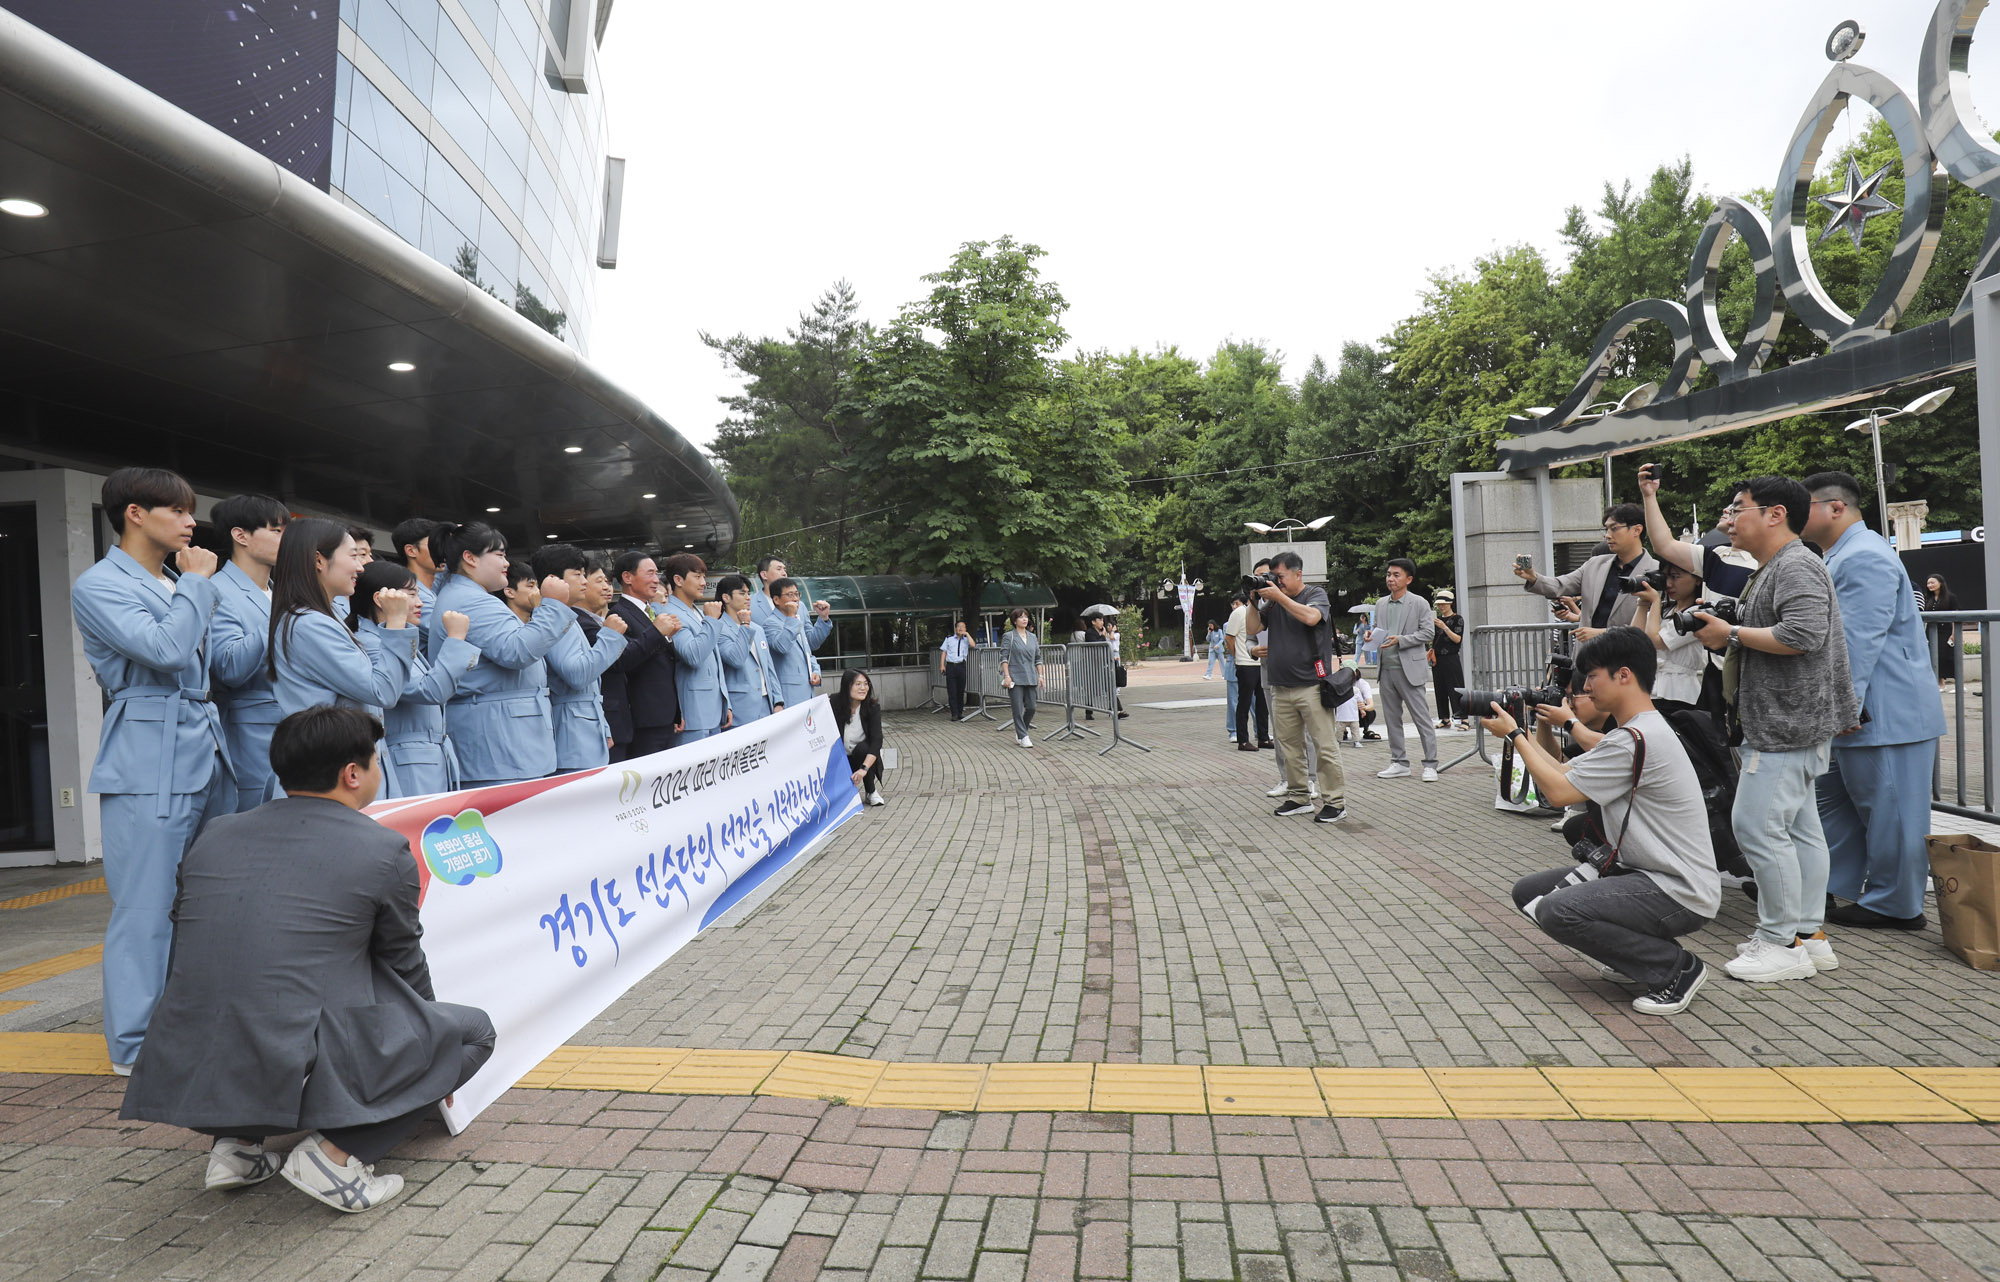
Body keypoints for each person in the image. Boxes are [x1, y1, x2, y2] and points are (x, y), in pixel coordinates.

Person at [119, 705, 496, 1213]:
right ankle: (337, 1158)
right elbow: (404, 963)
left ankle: (238, 1147)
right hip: (291, 1047)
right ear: (353, 774)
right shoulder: (383, 849)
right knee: (472, 1032)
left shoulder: (216, 834)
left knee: (254, 993)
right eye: (375, 761)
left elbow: (187, 937)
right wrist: (433, 1056)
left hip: (189, 1048)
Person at [70, 467, 234, 1074]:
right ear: (135, 513)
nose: (191, 522)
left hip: (201, 744)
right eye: (177, 510)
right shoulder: (100, 584)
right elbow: (165, 652)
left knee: (200, 902)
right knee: (144, 905)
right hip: (148, 752)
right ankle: (136, 1047)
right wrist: (196, 586)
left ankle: (188, 1024)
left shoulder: (172, 578)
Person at [1487, 628, 1721, 1016]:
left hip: (1678, 889)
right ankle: (1632, 956)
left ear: (1624, 675)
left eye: (1593, 676)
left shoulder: (1637, 739)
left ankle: (1674, 968)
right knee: (1531, 892)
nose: (1586, 686)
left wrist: (1513, 735)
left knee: (1556, 910)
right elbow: (1562, 772)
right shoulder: (1632, 734)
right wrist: (1523, 733)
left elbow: (1558, 794)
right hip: (1644, 875)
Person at [1687, 476, 1858, 983]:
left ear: (1774, 514)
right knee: (1800, 830)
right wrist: (1730, 629)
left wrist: (1732, 632)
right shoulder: (1782, 565)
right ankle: (1808, 936)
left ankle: (1781, 941)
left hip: (1786, 723)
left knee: (1757, 827)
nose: (1729, 519)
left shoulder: (1796, 565)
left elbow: (1803, 635)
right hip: (1791, 721)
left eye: (1737, 508)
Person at [1804, 472, 1947, 931]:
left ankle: (1897, 905)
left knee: (1894, 814)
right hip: (1866, 710)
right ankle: (1833, 886)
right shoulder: (1845, 554)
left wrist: (1843, 705)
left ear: (1836, 508)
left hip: (1885, 711)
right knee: (1841, 804)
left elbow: (1857, 641)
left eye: (1803, 506)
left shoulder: (1863, 556)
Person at [266, 520, 419, 790]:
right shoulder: (310, 624)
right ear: (318, 561)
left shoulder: (324, 616)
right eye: (353, 556)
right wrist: (396, 624)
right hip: (331, 776)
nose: (361, 567)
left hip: (339, 767)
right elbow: (382, 690)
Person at [429, 522, 574, 788]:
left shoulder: (466, 595)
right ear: (470, 558)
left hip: (502, 739)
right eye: (499, 555)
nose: (506, 563)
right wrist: (552, 605)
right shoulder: (471, 599)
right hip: (501, 743)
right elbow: (517, 651)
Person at [349, 561, 479, 798]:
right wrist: (456, 640)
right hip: (408, 760)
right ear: (381, 600)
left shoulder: (387, 637)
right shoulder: (371, 643)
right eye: (411, 594)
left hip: (424, 757)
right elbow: (430, 690)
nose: (419, 603)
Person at [1253, 551, 1348, 824]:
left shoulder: (1314, 594)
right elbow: (1252, 625)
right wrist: (1253, 600)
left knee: (1324, 746)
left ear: (1298, 574)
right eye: (1273, 577)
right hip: (1280, 686)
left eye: (1280, 577)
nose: (1277, 582)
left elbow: (1311, 618)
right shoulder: (1271, 603)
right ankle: (1298, 797)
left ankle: (1335, 802)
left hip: (1312, 685)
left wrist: (1278, 597)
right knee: (1290, 747)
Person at [207, 493, 287, 811]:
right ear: (241, 536)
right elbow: (229, 667)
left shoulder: (278, 590)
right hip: (251, 738)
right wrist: (279, 613)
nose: (287, 540)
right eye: (277, 531)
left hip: (295, 734)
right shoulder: (217, 589)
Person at [533, 545, 630, 771]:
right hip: (572, 735)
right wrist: (610, 636)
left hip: (582, 728)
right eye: (577, 574)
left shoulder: (566, 616)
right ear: (553, 579)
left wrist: (602, 727)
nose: (584, 581)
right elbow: (577, 674)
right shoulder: (553, 620)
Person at [1516, 503, 1659, 638]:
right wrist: (1533, 577)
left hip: (1627, 658)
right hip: (1587, 656)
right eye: (1606, 529)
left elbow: (1654, 626)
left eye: (1614, 528)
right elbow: (1560, 585)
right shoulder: (1594, 565)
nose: (1607, 535)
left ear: (1637, 530)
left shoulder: (1655, 572)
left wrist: (1602, 633)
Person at [604, 551, 682, 761]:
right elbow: (625, 661)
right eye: (650, 574)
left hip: (664, 716)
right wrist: (657, 633)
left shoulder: (650, 611)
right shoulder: (619, 614)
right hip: (643, 719)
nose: (656, 580)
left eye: (657, 574)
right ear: (628, 577)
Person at [1637, 466, 1754, 598]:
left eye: (1736, 508)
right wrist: (1649, 495)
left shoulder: (1764, 564)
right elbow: (1663, 545)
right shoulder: (1715, 555)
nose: (1726, 511)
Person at [1373, 558, 1439, 781]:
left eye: (1396, 575)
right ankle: (1399, 762)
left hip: (1409, 669)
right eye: (1389, 574)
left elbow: (1428, 633)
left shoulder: (1419, 603)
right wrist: (1369, 636)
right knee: (1392, 719)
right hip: (1386, 670)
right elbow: (1378, 630)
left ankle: (1430, 764)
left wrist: (1400, 640)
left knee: (1421, 719)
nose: (1390, 579)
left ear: (1408, 579)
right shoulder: (1381, 604)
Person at [658, 553, 732, 744]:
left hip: (713, 710)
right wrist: (712, 621)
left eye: (703, 577)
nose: (703, 582)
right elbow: (693, 655)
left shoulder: (697, 610)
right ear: (678, 580)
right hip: (692, 714)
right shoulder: (669, 612)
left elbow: (714, 661)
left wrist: (726, 703)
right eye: (697, 576)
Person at [1633, 563, 1710, 711]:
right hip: (1652, 688)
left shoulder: (1698, 613)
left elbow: (1656, 641)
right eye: (1665, 577)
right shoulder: (1666, 610)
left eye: (1675, 577)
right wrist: (1643, 603)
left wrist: (1655, 602)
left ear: (1698, 579)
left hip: (1680, 692)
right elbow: (1635, 640)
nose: (1668, 584)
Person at [714, 573, 783, 725]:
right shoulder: (719, 628)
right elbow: (736, 659)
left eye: (749, 593)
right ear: (726, 598)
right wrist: (744, 626)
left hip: (767, 704)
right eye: (742, 593)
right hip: (740, 708)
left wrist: (778, 700)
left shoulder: (757, 629)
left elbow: (768, 667)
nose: (748, 597)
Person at [764, 577, 826, 708]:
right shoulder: (770, 623)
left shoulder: (796, 621)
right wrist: (791, 618)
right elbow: (782, 647)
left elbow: (808, 652)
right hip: (788, 694)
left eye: (797, 594)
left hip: (807, 690)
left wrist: (816, 671)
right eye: (790, 595)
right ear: (776, 600)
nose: (795, 599)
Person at [830, 668, 885, 806]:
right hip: (840, 759)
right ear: (847, 686)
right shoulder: (834, 703)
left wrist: (864, 769)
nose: (863, 688)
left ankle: (871, 792)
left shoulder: (872, 708)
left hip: (861, 759)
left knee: (863, 748)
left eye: (866, 684)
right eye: (858, 684)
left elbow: (877, 741)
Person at [1226, 592, 1269, 751]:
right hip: (1245, 663)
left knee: (1263, 703)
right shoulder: (1239, 612)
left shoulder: (1265, 611)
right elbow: (1229, 637)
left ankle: (1263, 737)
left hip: (1263, 664)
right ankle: (1243, 740)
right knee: (1244, 702)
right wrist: (1237, 657)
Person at [999, 607, 1042, 747]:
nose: (1024, 619)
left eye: (1026, 617)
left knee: (1031, 707)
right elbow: (1004, 658)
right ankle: (1023, 736)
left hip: (1030, 676)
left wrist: (1041, 675)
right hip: (1015, 677)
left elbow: (1038, 658)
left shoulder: (1033, 637)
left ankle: (1021, 730)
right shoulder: (1009, 636)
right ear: (1014, 620)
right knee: (1017, 708)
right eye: (1021, 617)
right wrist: (1007, 676)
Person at [1430, 591, 1466, 729]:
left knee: (1456, 688)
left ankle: (1464, 719)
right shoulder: (1437, 620)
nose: (1441, 606)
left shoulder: (1457, 619)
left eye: (1444, 603)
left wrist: (1444, 627)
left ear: (1450, 603)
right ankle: (1444, 718)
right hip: (1438, 659)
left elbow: (1457, 639)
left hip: (1451, 658)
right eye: (1439, 604)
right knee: (1440, 689)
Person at [393, 517, 442, 614]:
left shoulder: (438, 584)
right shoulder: (411, 595)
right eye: (435, 545)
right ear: (411, 551)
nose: (443, 551)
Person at [1925, 574, 1958, 689]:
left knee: (1948, 656)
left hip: (1946, 631)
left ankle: (1959, 684)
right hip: (1932, 631)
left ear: (1940, 583)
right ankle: (1941, 684)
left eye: (1932, 582)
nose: (1930, 585)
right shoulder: (1928, 598)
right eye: (1928, 583)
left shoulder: (1950, 597)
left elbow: (1956, 616)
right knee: (1934, 656)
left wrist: (1954, 634)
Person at [939, 619, 975, 720]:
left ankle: (960, 712)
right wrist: (942, 665)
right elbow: (944, 652)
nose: (960, 628)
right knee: (952, 691)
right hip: (951, 666)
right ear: (955, 628)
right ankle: (954, 714)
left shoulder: (966, 639)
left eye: (962, 626)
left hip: (961, 666)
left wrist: (967, 634)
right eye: (958, 626)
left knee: (960, 691)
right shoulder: (949, 639)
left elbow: (973, 645)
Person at [1334, 663, 1372, 745]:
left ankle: (1357, 740)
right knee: (1339, 729)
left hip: (1354, 716)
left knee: (1355, 729)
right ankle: (1338, 741)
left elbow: (1362, 702)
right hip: (1341, 716)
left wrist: (1363, 710)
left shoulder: (1357, 689)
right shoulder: (1337, 687)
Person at [1222, 594, 1243, 741]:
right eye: (1233, 604)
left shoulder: (1254, 621)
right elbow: (1229, 642)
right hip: (1234, 665)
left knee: (1256, 701)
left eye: (1237, 603)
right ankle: (1233, 731)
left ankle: (1260, 730)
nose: (1234, 607)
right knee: (1234, 700)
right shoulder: (1227, 624)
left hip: (1251, 664)